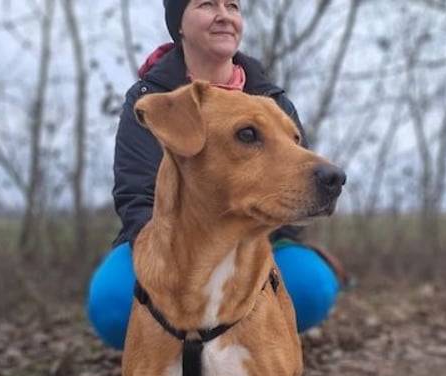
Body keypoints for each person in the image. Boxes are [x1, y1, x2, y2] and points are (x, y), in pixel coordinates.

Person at [87, 0, 345, 350]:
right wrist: (178, 261)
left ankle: (259, 363)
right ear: (179, 23)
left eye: (233, 6)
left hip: (258, 239)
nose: (225, 15)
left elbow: (290, 183)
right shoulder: (150, 99)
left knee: (311, 286)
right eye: (208, 4)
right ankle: (167, 368)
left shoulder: (272, 99)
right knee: (113, 303)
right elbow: (136, 195)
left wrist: (244, 251)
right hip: (169, 244)